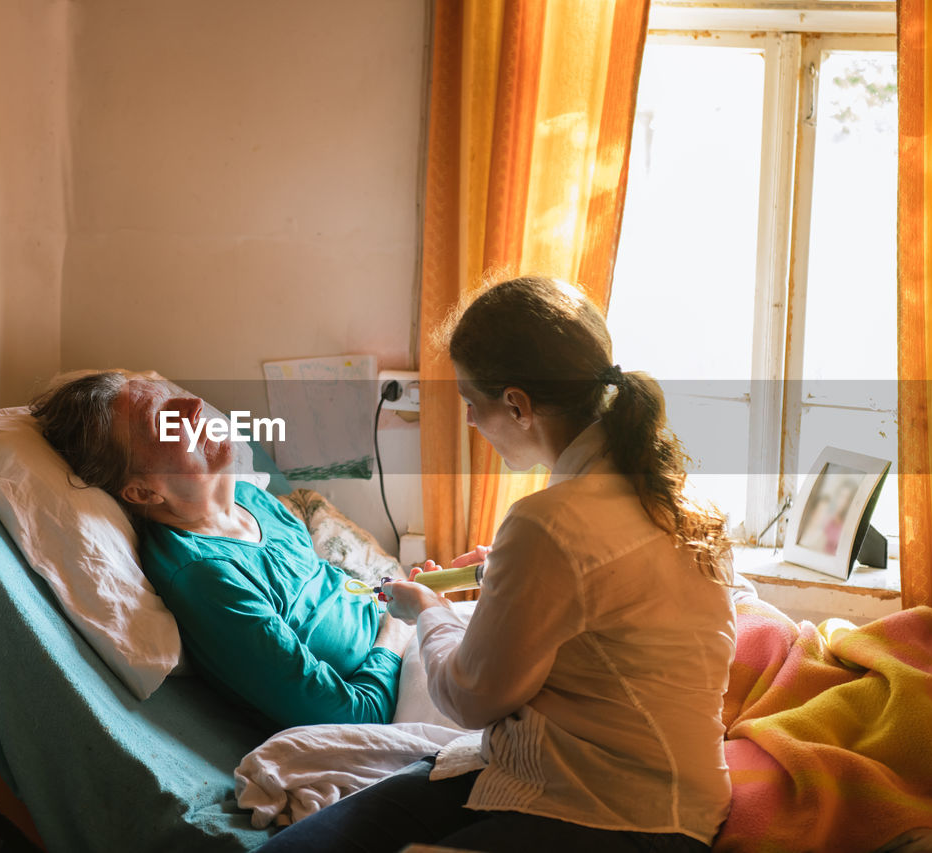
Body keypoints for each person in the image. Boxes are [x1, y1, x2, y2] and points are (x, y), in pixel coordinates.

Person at [258, 276, 736, 852]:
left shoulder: (549, 523)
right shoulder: (675, 497)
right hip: (655, 788)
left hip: (622, 815)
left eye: (469, 403)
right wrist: (500, 572)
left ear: (517, 404)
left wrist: (429, 611)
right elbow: (609, 603)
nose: (468, 423)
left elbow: (472, 698)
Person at [31, 371, 412, 728]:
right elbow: (354, 716)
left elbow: (334, 597)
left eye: (175, 398)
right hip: (393, 689)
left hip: (401, 641)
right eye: (161, 418)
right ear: (144, 491)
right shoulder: (206, 576)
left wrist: (399, 597)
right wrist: (397, 631)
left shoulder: (252, 500)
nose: (195, 405)